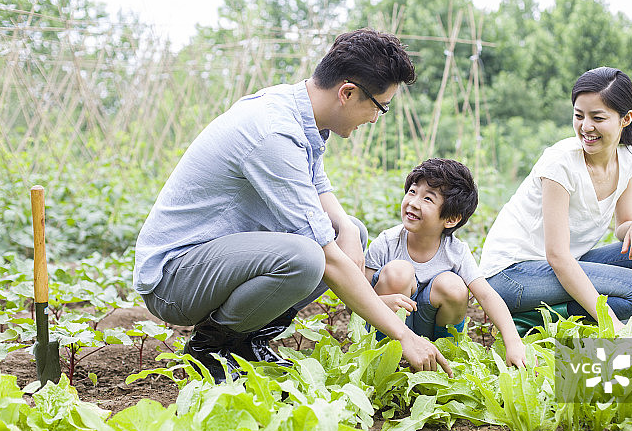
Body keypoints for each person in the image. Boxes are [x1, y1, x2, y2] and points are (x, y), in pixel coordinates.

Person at [133, 28, 452, 383]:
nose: (376, 118)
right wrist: (404, 334)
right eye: (380, 106)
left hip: (212, 263)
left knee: (349, 231)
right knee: (308, 257)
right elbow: (327, 257)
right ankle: (212, 347)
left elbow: (317, 187)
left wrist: (346, 228)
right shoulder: (273, 132)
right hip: (176, 278)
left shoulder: (298, 112)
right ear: (348, 93)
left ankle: (248, 338)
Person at [479, 67, 632, 331]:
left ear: (625, 119)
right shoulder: (560, 163)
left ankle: (552, 309)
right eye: (579, 116)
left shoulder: (627, 157)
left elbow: (624, 223)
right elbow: (557, 256)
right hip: (511, 275)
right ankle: (534, 317)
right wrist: (613, 326)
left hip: (558, 265)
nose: (586, 127)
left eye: (597, 118)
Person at [365, 158, 527, 368]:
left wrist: (513, 342)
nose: (413, 202)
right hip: (388, 328)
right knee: (399, 272)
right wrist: (384, 302)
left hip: (428, 326)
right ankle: (384, 361)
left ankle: (442, 358)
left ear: (450, 219)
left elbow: (486, 295)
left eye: (428, 199)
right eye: (412, 192)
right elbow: (359, 293)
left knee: (453, 284)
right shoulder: (387, 242)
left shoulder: (455, 252)